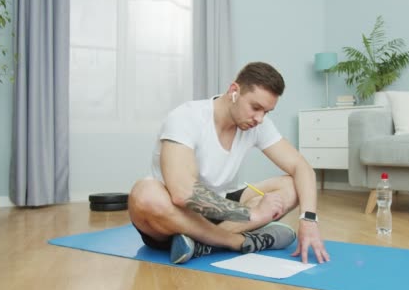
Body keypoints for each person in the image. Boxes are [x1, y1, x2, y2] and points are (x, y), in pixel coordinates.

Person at [128, 62, 330, 264]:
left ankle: (200, 244)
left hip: (222, 207)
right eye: (256, 107)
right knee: (145, 194)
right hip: (175, 216)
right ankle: (236, 242)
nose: (259, 118)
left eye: (266, 112)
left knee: (292, 185)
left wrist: (309, 219)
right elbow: (183, 193)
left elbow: (301, 167)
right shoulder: (186, 116)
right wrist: (253, 214)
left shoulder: (257, 124)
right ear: (234, 91)